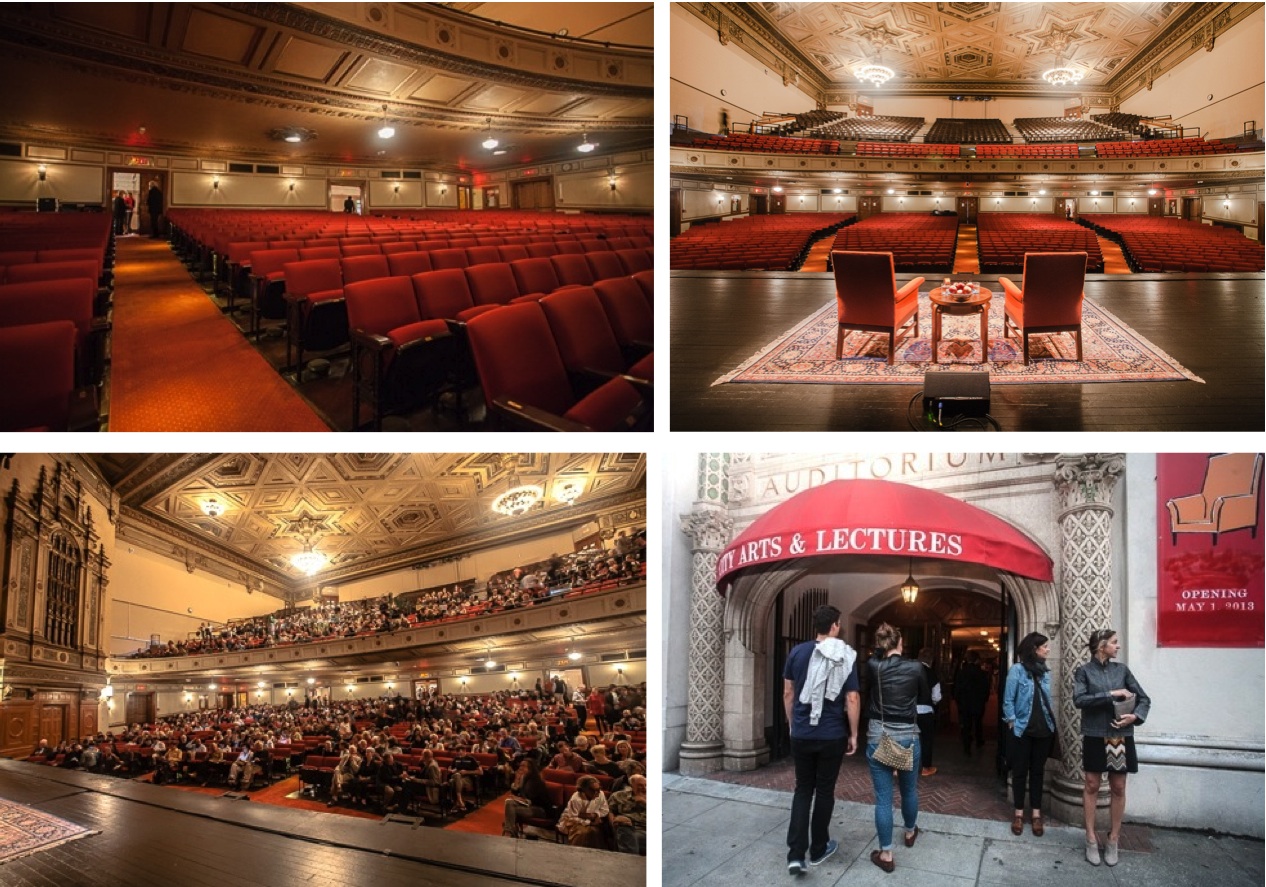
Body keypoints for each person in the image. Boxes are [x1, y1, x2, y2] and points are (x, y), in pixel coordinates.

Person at [782, 604, 860, 875]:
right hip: (831, 733)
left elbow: (788, 693)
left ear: (816, 626)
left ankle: (795, 855)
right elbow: (852, 697)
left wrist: (793, 723)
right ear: (835, 625)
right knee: (825, 791)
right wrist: (854, 733)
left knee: (803, 790)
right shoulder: (845, 655)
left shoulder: (797, 652)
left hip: (802, 732)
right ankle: (818, 849)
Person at [1074, 628, 1150, 867]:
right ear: (1102, 645)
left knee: (1118, 786)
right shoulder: (1084, 671)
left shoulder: (1122, 670)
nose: (1117, 646)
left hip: (1119, 736)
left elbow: (1144, 699)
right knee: (1092, 784)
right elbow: (1080, 700)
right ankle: (1090, 838)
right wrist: (1111, 693)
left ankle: (1113, 838)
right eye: (1114, 643)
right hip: (1095, 735)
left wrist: (1134, 717)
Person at [865, 622, 929, 874]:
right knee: (909, 790)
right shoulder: (916, 668)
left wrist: (882, 649)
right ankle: (910, 832)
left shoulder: (874, 666)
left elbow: (875, 657)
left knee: (883, 798)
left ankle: (886, 853)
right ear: (901, 643)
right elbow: (924, 697)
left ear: (881, 644)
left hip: (879, 736)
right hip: (908, 737)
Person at [1002, 632, 1057, 838]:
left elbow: (1046, 701)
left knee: (1037, 772)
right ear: (1034, 649)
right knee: (1019, 772)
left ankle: (1036, 814)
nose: (1048, 649)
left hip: (1043, 730)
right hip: (1022, 730)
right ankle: (1018, 814)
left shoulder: (1045, 672)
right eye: (1044, 646)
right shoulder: (1017, 670)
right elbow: (1008, 700)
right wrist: (1012, 723)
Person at [503, 757, 553, 838]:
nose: (520, 768)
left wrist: (519, 799)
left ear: (530, 769)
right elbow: (515, 792)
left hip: (539, 809)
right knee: (509, 802)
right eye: (520, 766)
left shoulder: (536, 781)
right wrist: (517, 779)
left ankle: (509, 832)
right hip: (528, 806)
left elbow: (532, 799)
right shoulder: (524, 778)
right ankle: (510, 831)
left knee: (510, 809)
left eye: (523, 766)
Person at [557, 774, 609, 848]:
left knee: (596, 832)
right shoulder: (576, 799)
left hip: (593, 820)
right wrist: (589, 822)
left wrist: (594, 815)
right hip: (573, 821)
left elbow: (605, 810)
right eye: (593, 790)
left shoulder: (601, 794)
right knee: (583, 833)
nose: (597, 792)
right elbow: (573, 817)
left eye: (599, 789)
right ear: (584, 790)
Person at [954, 651, 990, 754]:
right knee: (978, 723)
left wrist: (958, 701)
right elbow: (985, 688)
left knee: (966, 725)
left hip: (965, 702)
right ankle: (979, 740)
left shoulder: (961, 672)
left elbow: (957, 688)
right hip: (978, 702)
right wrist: (984, 699)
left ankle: (967, 746)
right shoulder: (981, 673)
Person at [915, 647, 941, 777]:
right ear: (931, 660)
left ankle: (900, 767)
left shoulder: (909, 670)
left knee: (906, 738)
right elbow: (937, 697)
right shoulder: (932, 674)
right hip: (926, 710)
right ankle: (925, 767)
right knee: (926, 740)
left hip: (909, 711)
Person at [608, 772, 646, 854]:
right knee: (624, 829)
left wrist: (645, 802)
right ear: (631, 785)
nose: (643, 788)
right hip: (626, 827)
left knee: (629, 838)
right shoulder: (618, 796)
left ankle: (629, 862)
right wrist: (613, 823)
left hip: (644, 829)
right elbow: (610, 811)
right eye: (640, 785)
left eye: (645, 785)